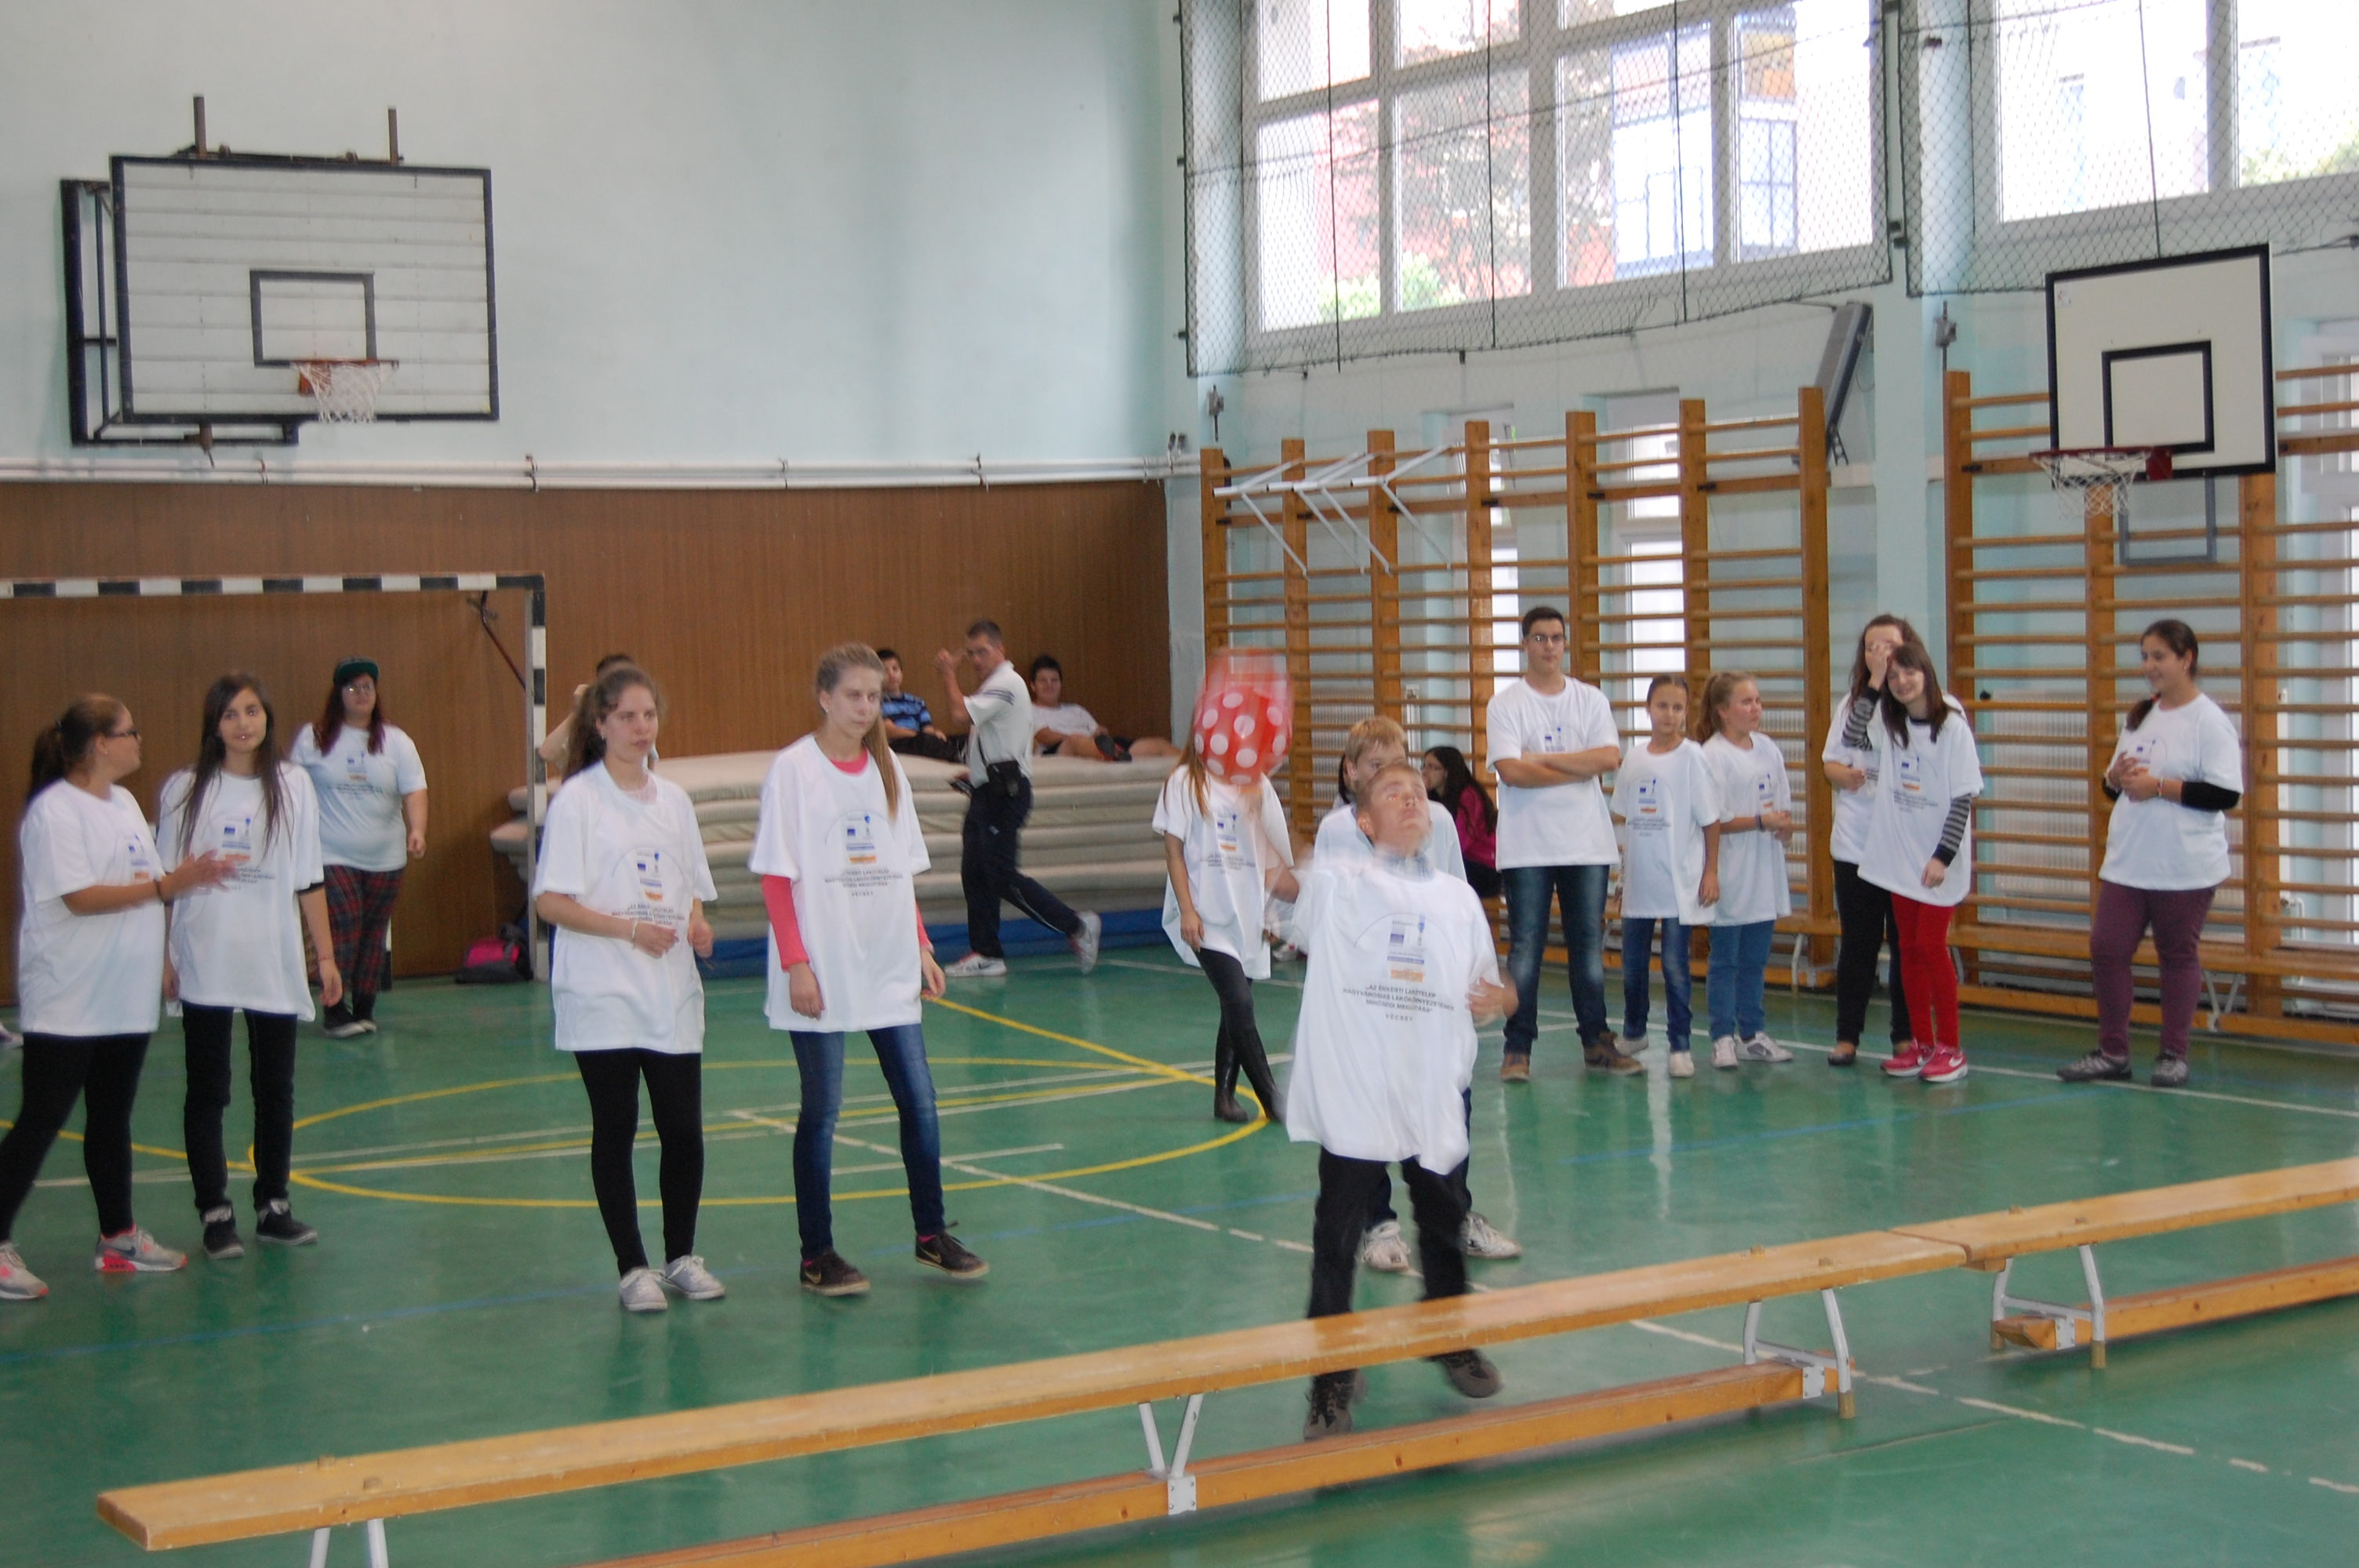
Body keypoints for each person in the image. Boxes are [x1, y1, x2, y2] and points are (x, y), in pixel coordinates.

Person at [1269, 760, 1517, 1441]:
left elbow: (1496, 990)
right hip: (1359, 1092)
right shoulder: (1340, 887)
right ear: (1364, 820)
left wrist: (1500, 998)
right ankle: (1330, 1376)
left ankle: (1448, 1336)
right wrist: (1243, 789)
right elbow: (1278, 879)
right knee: (1337, 1235)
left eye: (1417, 792)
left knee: (1444, 1220)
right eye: (1391, 793)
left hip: (1429, 1091)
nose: (1410, 800)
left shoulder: (1458, 900)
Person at [751, 644, 987, 1298]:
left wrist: (922, 946)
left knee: (920, 1100)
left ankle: (931, 1234)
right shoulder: (793, 771)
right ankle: (816, 1254)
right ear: (824, 698)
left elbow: (898, 874)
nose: (864, 707)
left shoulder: (889, 772)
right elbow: (776, 879)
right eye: (853, 695)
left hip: (887, 963)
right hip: (822, 968)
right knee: (822, 1111)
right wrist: (797, 964)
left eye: (874, 697)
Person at [2, 699, 238, 1300]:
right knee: (42, 1119)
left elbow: (145, 886)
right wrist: (167, 885)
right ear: (101, 744)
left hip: (123, 995)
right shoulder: (55, 811)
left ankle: (118, 1237)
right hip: (69, 996)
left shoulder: (127, 804)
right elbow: (79, 896)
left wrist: (165, 948)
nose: (139, 740)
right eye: (130, 731)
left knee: (111, 1116)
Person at [531, 665, 724, 1312]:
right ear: (601, 724)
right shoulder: (578, 801)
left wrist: (696, 923)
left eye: (649, 716)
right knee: (616, 1127)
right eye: (626, 717)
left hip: (669, 991)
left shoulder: (675, 802)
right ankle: (632, 1267)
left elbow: (691, 886)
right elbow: (551, 902)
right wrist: (628, 930)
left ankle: (681, 1256)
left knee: (683, 1130)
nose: (641, 728)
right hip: (603, 992)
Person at [1318, 718, 1517, 1267]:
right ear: (1352, 774)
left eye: (1399, 762)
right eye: (1376, 767)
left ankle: (1456, 1217)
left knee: (1449, 1105)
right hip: (1370, 1002)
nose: (1393, 776)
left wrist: (1475, 975)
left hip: (1429, 997)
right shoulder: (1338, 830)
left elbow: (1456, 900)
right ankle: (1378, 1225)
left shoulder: (1437, 820)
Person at [158, 673, 342, 1260]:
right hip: (206, 956)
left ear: (267, 717)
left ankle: (273, 1205)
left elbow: (309, 877)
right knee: (208, 1090)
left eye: (252, 711)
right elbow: (165, 882)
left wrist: (326, 956)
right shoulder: (185, 789)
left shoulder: (293, 785)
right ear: (214, 725)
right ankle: (215, 1212)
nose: (243, 723)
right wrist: (164, 956)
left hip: (271, 958)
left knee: (275, 1089)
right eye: (231, 714)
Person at [2061, 620, 2241, 1090]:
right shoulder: (2141, 716)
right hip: (2130, 860)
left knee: (2176, 954)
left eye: (2159, 656)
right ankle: (2113, 1052)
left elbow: (2225, 794)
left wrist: (2160, 787)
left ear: (2186, 659)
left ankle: (2173, 1054)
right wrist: (2114, 779)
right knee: (2107, 947)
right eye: (2144, 656)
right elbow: (2113, 787)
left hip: (2183, 864)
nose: (2149, 665)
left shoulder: (2209, 721)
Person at [1485, 605, 1637, 1080]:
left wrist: (1541, 759)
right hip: (1527, 848)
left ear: (1565, 643)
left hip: (1585, 845)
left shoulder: (1590, 700)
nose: (1549, 646)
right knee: (1525, 950)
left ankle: (1596, 1042)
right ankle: (1517, 1049)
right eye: (1539, 638)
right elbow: (1512, 772)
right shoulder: (1506, 704)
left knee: (1588, 949)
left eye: (1556, 637)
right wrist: (1575, 765)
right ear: (1524, 644)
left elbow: (1607, 759)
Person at [1843, 641, 1983, 1086]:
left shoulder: (1952, 726)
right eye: (1894, 676)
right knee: (1908, 950)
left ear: (1926, 673)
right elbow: (1851, 736)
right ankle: (1922, 1044)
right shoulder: (1892, 724)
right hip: (1900, 859)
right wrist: (1874, 683)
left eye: (1909, 673)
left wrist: (1943, 856)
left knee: (1930, 947)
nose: (1902, 682)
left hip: (1936, 861)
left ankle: (1951, 1048)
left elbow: (1963, 798)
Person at [932, 621, 1102, 978]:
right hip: (987, 790)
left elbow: (960, 714)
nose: (976, 659)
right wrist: (975, 774)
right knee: (975, 874)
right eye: (972, 653)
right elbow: (997, 741)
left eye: (983, 651)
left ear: (1001, 650)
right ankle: (987, 952)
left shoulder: (1007, 684)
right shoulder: (993, 686)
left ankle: (1077, 926)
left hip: (1003, 796)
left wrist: (948, 673)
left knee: (1001, 876)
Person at [1155, 731, 1290, 1124]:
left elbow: (1272, 855)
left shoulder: (1258, 786)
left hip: (1247, 914)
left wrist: (1272, 913)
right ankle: (1272, 1098)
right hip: (1206, 915)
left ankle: (1224, 1098)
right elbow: (1174, 851)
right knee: (1239, 1001)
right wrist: (1187, 910)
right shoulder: (1185, 781)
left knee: (1234, 1006)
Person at [289, 658, 427, 1039]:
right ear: (338, 694)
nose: (361, 694)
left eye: (368, 687)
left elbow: (415, 789)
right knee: (345, 925)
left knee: (372, 933)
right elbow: (291, 787)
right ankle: (335, 1008)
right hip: (332, 853)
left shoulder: (396, 741)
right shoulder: (314, 738)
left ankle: (364, 1008)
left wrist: (417, 830)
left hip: (385, 857)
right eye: (353, 688)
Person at [1609, 676, 1721, 1079]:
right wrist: (1622, 879)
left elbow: (1711, 820)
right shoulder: (1634, 758)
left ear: (1686, 712)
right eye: (1662, 706)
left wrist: (1710, 871)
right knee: (1633, 965)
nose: (1669, 715)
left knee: (1674, 966)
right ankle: (1634, 1031)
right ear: (1648, 709)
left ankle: (1680, 1044)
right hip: (1640, 882)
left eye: (1677, 707)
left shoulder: (1693, 757)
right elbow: (1627, 821)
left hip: (1679, 883)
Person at [1822, 617, 1919, 1069]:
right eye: (1870, 647)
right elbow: (1839, 752)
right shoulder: (1853, 704)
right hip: (1856, 844)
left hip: (1903, 847)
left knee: (1905, 945)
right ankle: (1848, 1036)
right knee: (1858, 944)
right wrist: (1842, 775)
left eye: (1889, 646)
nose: (1879, 654)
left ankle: (1905, 1035)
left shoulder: (1920, 705)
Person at [1698, 672, 1797, 1071]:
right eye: (1746, 702)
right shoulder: (1712, 755)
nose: (1755, 708)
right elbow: (1713, 819)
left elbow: (1782, 804)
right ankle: (1722, 1036)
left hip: (1764, 870)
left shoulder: (1768, 748)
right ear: (1723, 711)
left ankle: (1753, 1033)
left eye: (1757, 701)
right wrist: (1759, 821)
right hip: (1730, 870)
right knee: (1726, 959)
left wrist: (1783, 826)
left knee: (1755, 959)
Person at [1027, 655, 1180, 762]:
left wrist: (1100, 732)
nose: (1049, 685)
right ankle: (1113, 754)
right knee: (1075, 740)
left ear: (1060, 684)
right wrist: (1085, 738)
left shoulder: (1076, 710)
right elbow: (1045, 736)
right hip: (1060, 749)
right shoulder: (1030, 710)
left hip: (1093, 744)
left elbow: (1099, 731)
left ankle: (1193, 765)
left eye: (1054, 680)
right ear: (1033, 686)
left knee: (1158, 744)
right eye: (1043, 681)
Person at [538, 652, 641, 782]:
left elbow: (648, 764)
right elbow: (547, 752)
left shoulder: (639, 722)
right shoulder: (587, 725)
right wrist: (580, 709)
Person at [1422, 746, 1499, 898]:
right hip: (1466, 861)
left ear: (1447, 772)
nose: (1425, 772)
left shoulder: (1469, 796)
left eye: (1433, 767)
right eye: (1424, 766)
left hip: (1483, 868)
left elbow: (1460, 842)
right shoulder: (1434, 797)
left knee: (1433, 874)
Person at [875, 648, 961, 764]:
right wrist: (919, 736)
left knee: (955, 739)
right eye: (885, 671)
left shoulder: (917, 702)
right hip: (897, 744)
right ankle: (955, 759)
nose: (891, 675)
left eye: (895, 669)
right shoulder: (876, 702)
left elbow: (928, 729)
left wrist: (935, 735)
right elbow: (889, 730)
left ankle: (958, 759)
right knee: (928, 741)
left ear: (902, 673)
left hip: (920, 742)